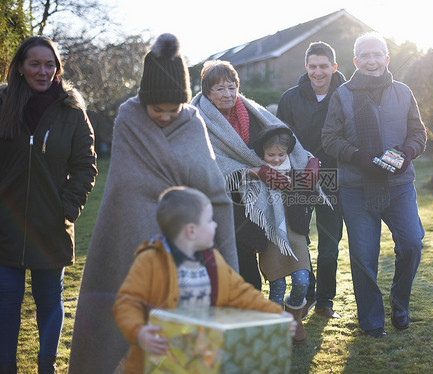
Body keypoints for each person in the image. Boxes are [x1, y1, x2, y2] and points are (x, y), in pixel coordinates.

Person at [69, 34, 237, 374]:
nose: (163, 116)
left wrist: (224, 260)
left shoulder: (192, 122)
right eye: (156, 108)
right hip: (129, 246)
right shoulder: (128, 119)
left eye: (172, 108)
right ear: (144, 100)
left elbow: (214, 191)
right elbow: (124, 187)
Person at [191, 60, 320, 345]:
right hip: (222, 207)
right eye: (219, 88)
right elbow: (204, 164)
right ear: (207, 91)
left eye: (231, 86)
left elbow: (285, 139)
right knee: (237, 272)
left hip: (261, 203)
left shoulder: (252, 111)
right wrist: (254, 170)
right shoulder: (195, 118)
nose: (227, 93)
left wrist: (309, 160)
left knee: (267, 274)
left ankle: (280, 325)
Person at [113, 186, 295, 373]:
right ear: (191, 231)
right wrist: (139, 331)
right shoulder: (150, 261)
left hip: (200, 355)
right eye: (209, 221)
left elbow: (242, 293)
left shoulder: (213, 261)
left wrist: (275, 313)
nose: (215, 225)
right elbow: (127, 302)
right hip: (158, 359)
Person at [0, 36, 97, 373]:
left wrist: (66, 210)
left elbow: (85, 166)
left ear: (57, 68)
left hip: (51, 227)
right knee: (6, 302)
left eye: (49, 64)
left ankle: (47, 367)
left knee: (48, 303)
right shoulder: (3, 103)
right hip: (5, 228)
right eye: (35, 64)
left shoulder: (72, 112)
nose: (43, 71)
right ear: (21, 68)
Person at [322, 32, 427, 338]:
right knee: (364, 257)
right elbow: (329, 138)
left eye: (376, 54)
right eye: (364, 56)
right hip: (357, 187)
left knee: (411, 244)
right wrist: (358, 156)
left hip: (399, 186)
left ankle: (400, 301)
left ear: (386, 58)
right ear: (356, 61)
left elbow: (418, 133)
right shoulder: (342, 95)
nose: (371, 60)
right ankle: (371, 322)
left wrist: (406, 153)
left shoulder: (404, 92)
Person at [277, 41, 346, 320]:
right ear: (306, 67)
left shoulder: (347, 95)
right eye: (313, 67)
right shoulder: (290, 98)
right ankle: (307, 294)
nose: (318, 72)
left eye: (324, 66)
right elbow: (281, 137)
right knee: (301, 241)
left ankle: (325, 301)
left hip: (333, 178)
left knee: (329, 245)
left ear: (334, 67)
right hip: (300, 177)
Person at [252, 125, 317, 344]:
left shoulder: (297, 165)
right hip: (271, 235)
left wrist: (313, 165)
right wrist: (260, 173)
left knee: (302, 281)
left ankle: (294, 317)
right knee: (277, 286)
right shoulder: (255, 169)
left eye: (281, 154)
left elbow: (306, 183)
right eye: (271, 155)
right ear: (262, 153)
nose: (277, 159)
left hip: (295, 231)